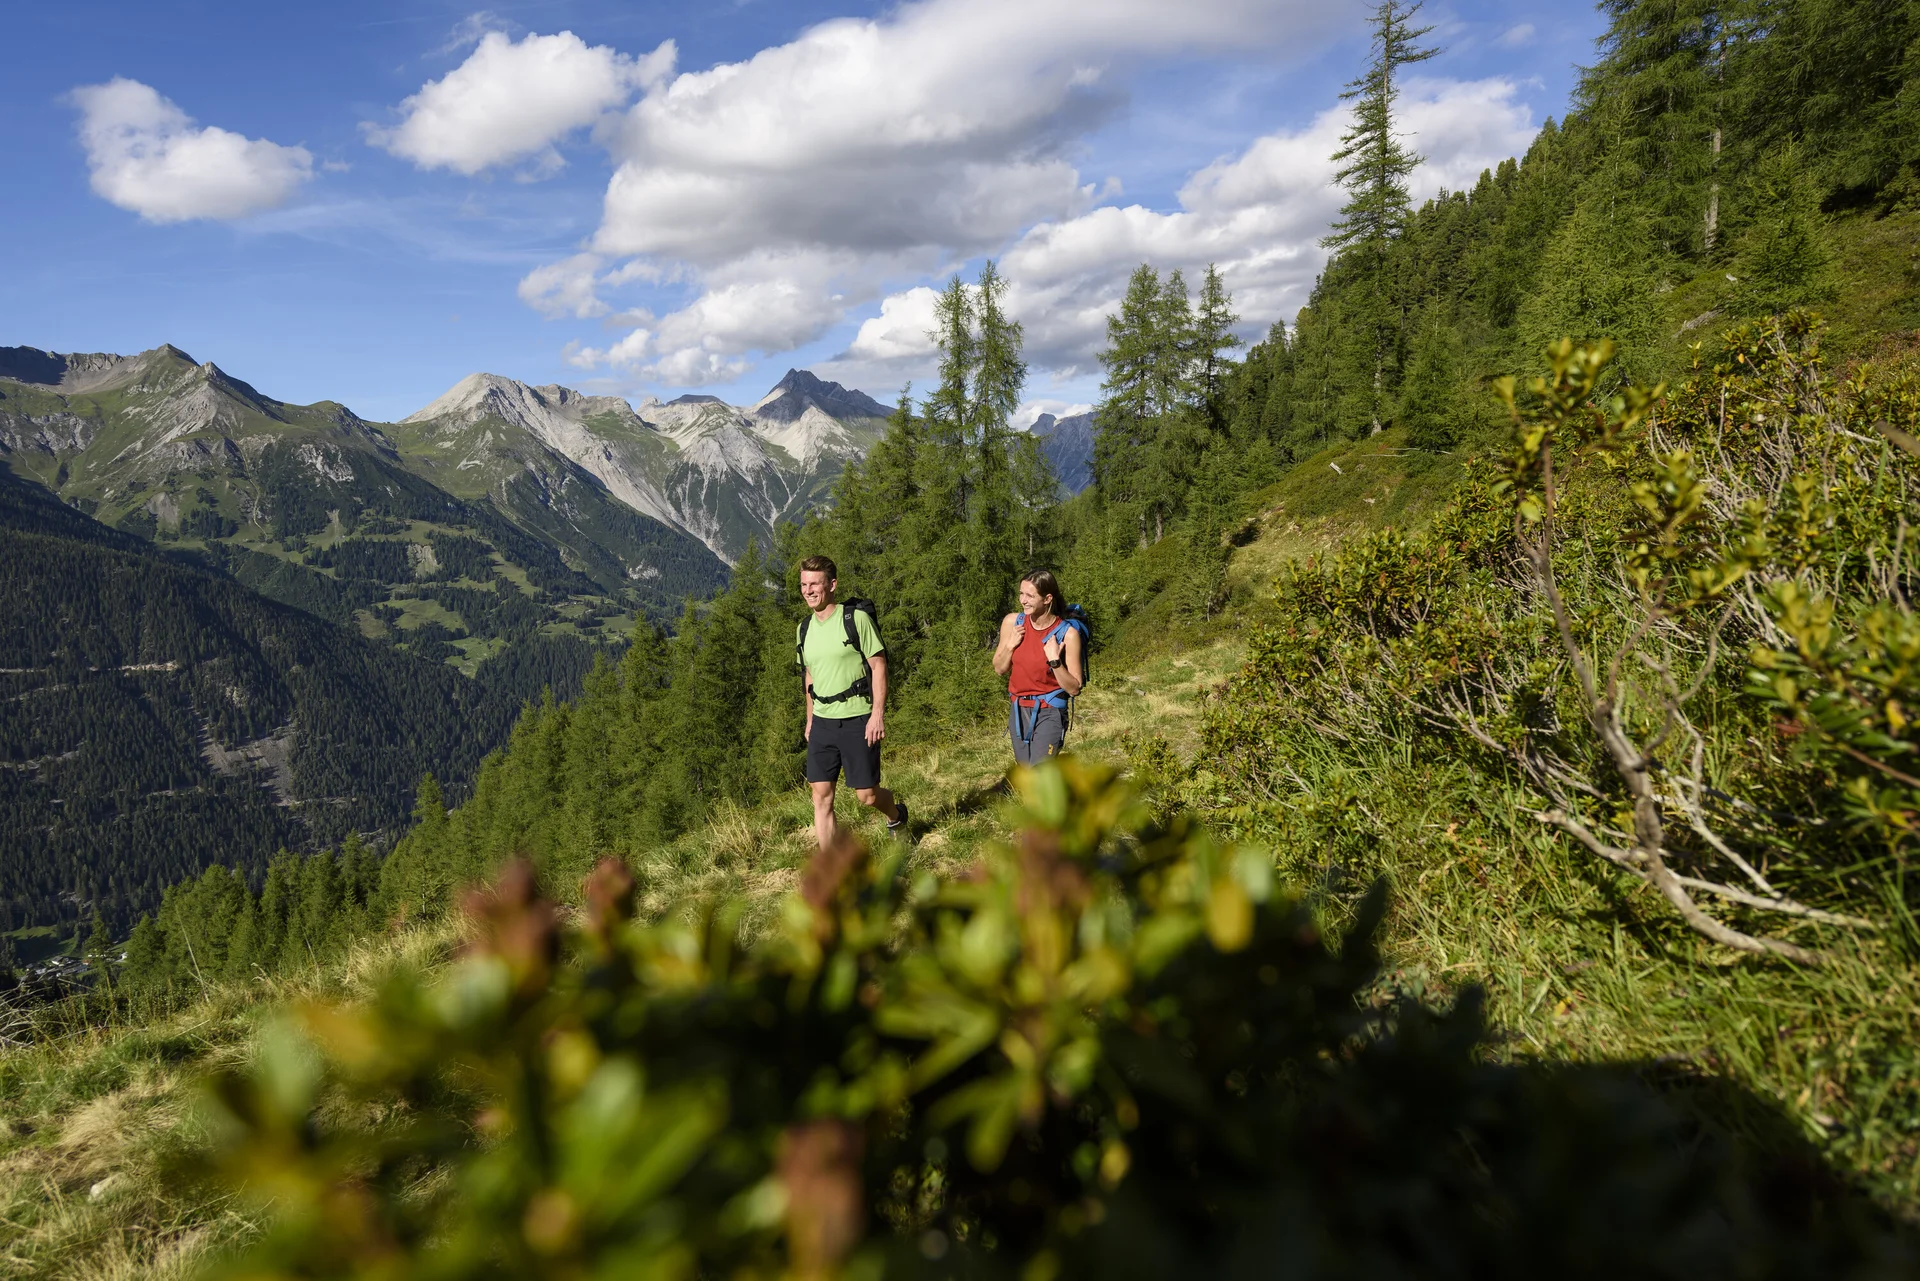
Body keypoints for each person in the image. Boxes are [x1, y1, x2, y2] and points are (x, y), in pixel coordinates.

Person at [796, 555, 909, 849]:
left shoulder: (855, 620)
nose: (808, 591)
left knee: (867, 796)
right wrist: (810, 720)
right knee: (820, 797)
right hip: (822, 723)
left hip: (858, 718)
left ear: (832, 585)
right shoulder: (804, 628)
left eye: (815, 584)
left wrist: (877, 715)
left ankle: (896, 815)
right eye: (804, 585)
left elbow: (879, 666)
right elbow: (810, 676)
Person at [992, 569, 1085, 766]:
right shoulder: (1012, 623)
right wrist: (1010, 645)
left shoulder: (1067, 634)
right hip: (1018, 709)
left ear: (1047, 599)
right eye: (1021, 593)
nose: (1023, 600)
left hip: (1050, 710)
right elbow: (999, 669)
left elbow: (1074, 688)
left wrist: (1055, 661)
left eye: (1030, 595)